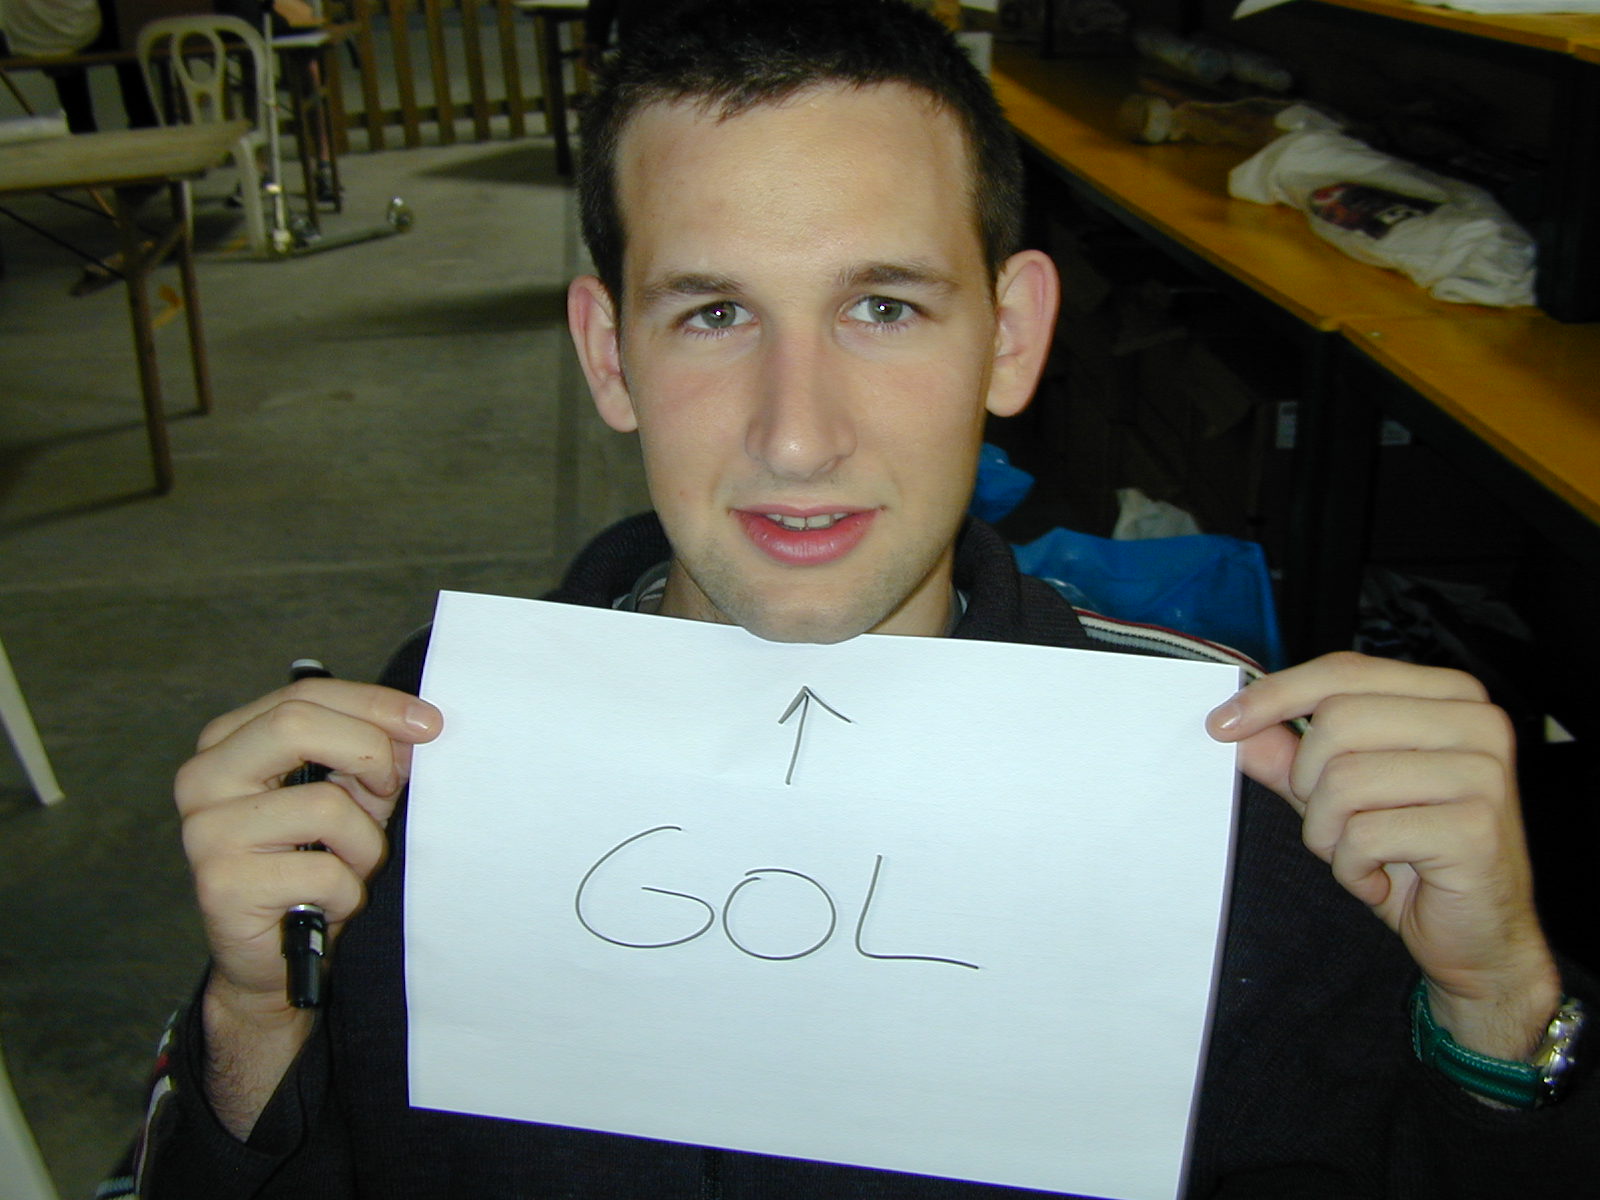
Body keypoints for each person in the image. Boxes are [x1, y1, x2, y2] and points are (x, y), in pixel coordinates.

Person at [111, 1, 1595, 1195]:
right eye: (714, 313)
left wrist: (1496, 1015)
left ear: (1010, 338)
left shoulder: (1244, 802)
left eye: (883, 306)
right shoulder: (420, 769)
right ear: (610, 356)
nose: (798, 435)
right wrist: (251, 1021)